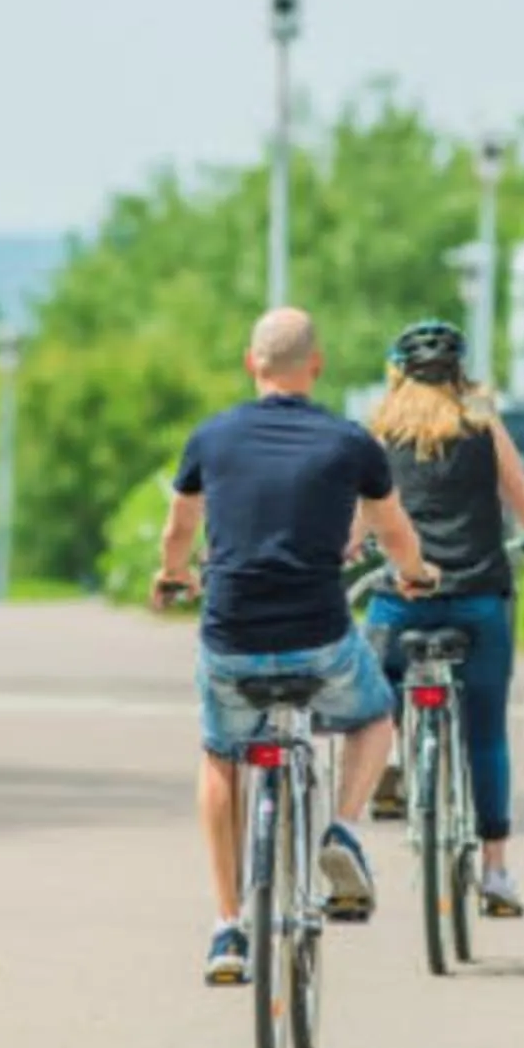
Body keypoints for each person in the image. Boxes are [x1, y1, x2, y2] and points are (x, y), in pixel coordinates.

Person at [153, 309, 439, 987]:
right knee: (375, 714)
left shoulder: (211, 437)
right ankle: (342, 828)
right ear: (316, 365)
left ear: (251, 363)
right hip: (319, 639)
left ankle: (228, 926)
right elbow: (395, 533)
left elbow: (178, 530)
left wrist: (173, 574)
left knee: (221, 754)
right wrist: (416, 574)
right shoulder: (351, 442)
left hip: (233, 638)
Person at [358, 319, 524, 919]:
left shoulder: (382, 430)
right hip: (478, 600)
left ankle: (393, 754)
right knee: (487, 734)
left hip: (405, 598)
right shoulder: (481, 422)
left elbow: (365, 513)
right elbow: (519, 491)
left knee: (375, 681)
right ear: (459, 372)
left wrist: (345, 549)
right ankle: (496, 871)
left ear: (399, 372)